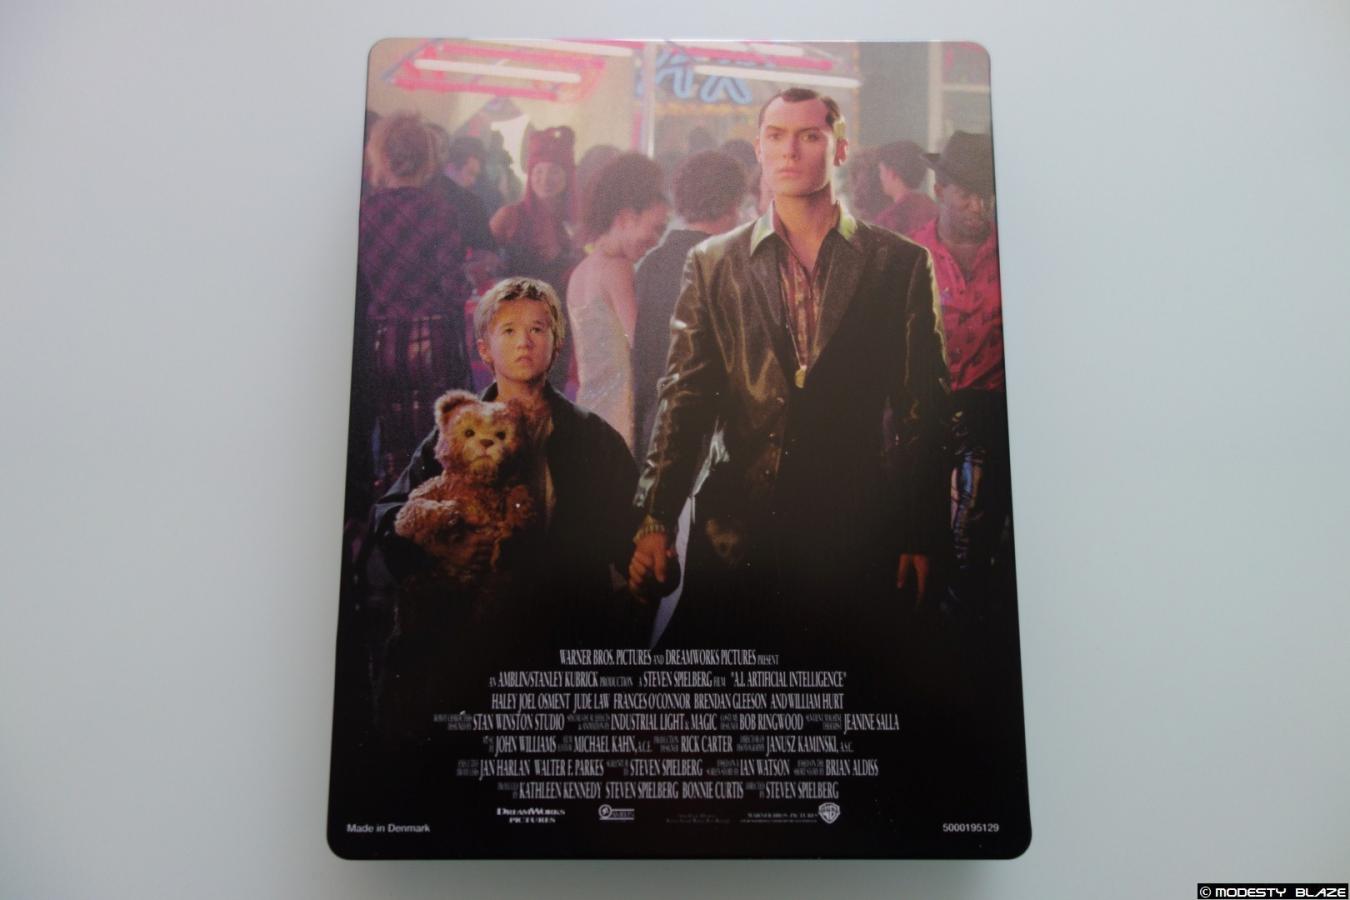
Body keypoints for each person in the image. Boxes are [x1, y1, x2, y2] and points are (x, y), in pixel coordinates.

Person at [627, 88, 951, 663]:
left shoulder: (898, 263)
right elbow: (686, 396)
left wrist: (921, 529)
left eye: (809, 136)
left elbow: (921, 407)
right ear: (758, 148)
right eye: (775, 136)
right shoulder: (713, 262)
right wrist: (656, 516)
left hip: (851, 526)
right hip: (736, 529)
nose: (789, 151)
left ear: (840, 149)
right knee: (730, 699)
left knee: (841, 693)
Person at [370, 277, 643, 651]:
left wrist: (643, 563)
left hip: (567, 630)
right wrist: (442, 552)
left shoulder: (593, 437)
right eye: (509, 330)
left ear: (557, 344)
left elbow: (632, 529)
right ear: (485, 349)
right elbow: (391, 514)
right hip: (476, 638)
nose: (524, 342)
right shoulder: (457, 433)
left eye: (537, 329)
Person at [907, 131, 1009, 616]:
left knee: (971, 539)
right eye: (967, 193)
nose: (978, 205)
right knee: (917, 540)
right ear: (939, 191)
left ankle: (962, 612)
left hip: (990, 411)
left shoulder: (1013, 251)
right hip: (924, 413)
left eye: (986, 193)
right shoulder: (910, 256)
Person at [357, 111, 472, 489]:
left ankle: (400, 511)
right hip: (433, 339)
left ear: (382, 157)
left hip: (384, 339)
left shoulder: (365, 212)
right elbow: (453, 286)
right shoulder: (440, 210)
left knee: (394, 447)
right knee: (439, 443)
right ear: (427, 158)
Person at [632, 150, 745, 459]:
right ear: (733, 204)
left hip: (656, 426)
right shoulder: (731, 266)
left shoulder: (651, 264)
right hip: (711, 437)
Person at [565, 154, 669, 452]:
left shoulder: (583, 269)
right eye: (655, 228)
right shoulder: (618, 269)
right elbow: (642, 345)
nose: (657, 241)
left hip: (589, 408)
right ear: (624, 219)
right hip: (619, 413)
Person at [489, 126, 580, 389]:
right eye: (538, 171)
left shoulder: (579, 223)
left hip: (559, 326)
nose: (545, 178)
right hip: (516, 326)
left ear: (567, 176)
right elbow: (483, 261)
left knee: (552, 395)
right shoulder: (510, 216)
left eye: (554, 171)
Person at [873, 139, 938, 236]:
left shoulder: (888, 221)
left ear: (892, 173)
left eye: (881, 171)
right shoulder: (934, 209)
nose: (880, 177)